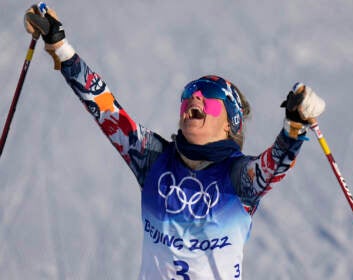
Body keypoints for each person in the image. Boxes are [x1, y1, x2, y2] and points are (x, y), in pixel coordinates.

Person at [24, 4, 325, 280]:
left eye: (209, 95)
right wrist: (60, 46)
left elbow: (272, 166)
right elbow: (106, 109)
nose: (194, 97)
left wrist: (294, 127)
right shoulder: (154, 159)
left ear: (229, 123)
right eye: (189, 94)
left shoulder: (237, 178)